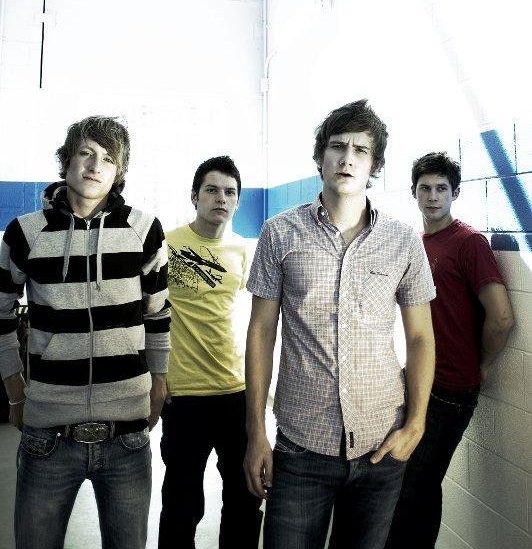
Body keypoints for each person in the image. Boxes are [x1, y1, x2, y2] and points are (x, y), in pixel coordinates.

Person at [244, 100, 436, 549]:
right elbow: (260, 333)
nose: (347, 158)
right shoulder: (280, 233)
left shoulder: (403, 240)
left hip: (381, 448)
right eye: (337, 146)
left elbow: (420, 336)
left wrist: (416, 424)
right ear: (320, 156)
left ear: (375, 165)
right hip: (300, 447)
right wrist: (255, 433)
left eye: (361, 150)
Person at [0, 116, 170, 549]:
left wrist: (159, 382)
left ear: (119, 172)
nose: (95, 165)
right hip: (47, 438)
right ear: (68, 160)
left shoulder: (144, 230)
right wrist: (14, 390)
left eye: (108, 159)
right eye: (86, 153)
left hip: (127, 437)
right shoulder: (25, 233)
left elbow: (158, 314)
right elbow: (0, 314)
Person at [385, 151, 514, 549]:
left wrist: (482, 364)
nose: (433, 196)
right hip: (420, 380)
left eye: (441, 188)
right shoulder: (417, 242)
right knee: (408, 487)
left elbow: (502, 318)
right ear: (414, 193)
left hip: (452, 388)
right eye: (425, 188)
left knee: (416, 490)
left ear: (455, 193)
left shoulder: (469, 242)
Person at [158, 156, 262, 549]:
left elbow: (256, 318)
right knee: (182, 505)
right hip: (184, 395)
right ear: (195, 196)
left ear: (237, 201)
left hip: (235, 392)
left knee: (244, 498)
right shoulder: (167, 245)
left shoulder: (243, 251)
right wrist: (155, 379)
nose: (221, 198)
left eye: (230, 192)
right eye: (212, 190)